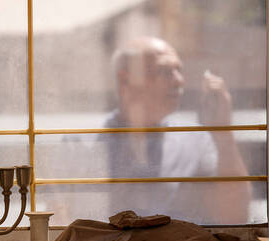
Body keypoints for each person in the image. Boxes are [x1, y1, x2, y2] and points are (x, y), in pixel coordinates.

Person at [93, 36, 252, 224]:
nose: (179, 81)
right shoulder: (88, 143)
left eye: (179, 70)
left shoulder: (196, 140)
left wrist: (223, 131)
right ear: (125, 79)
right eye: (164, 71)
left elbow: (235, 217)